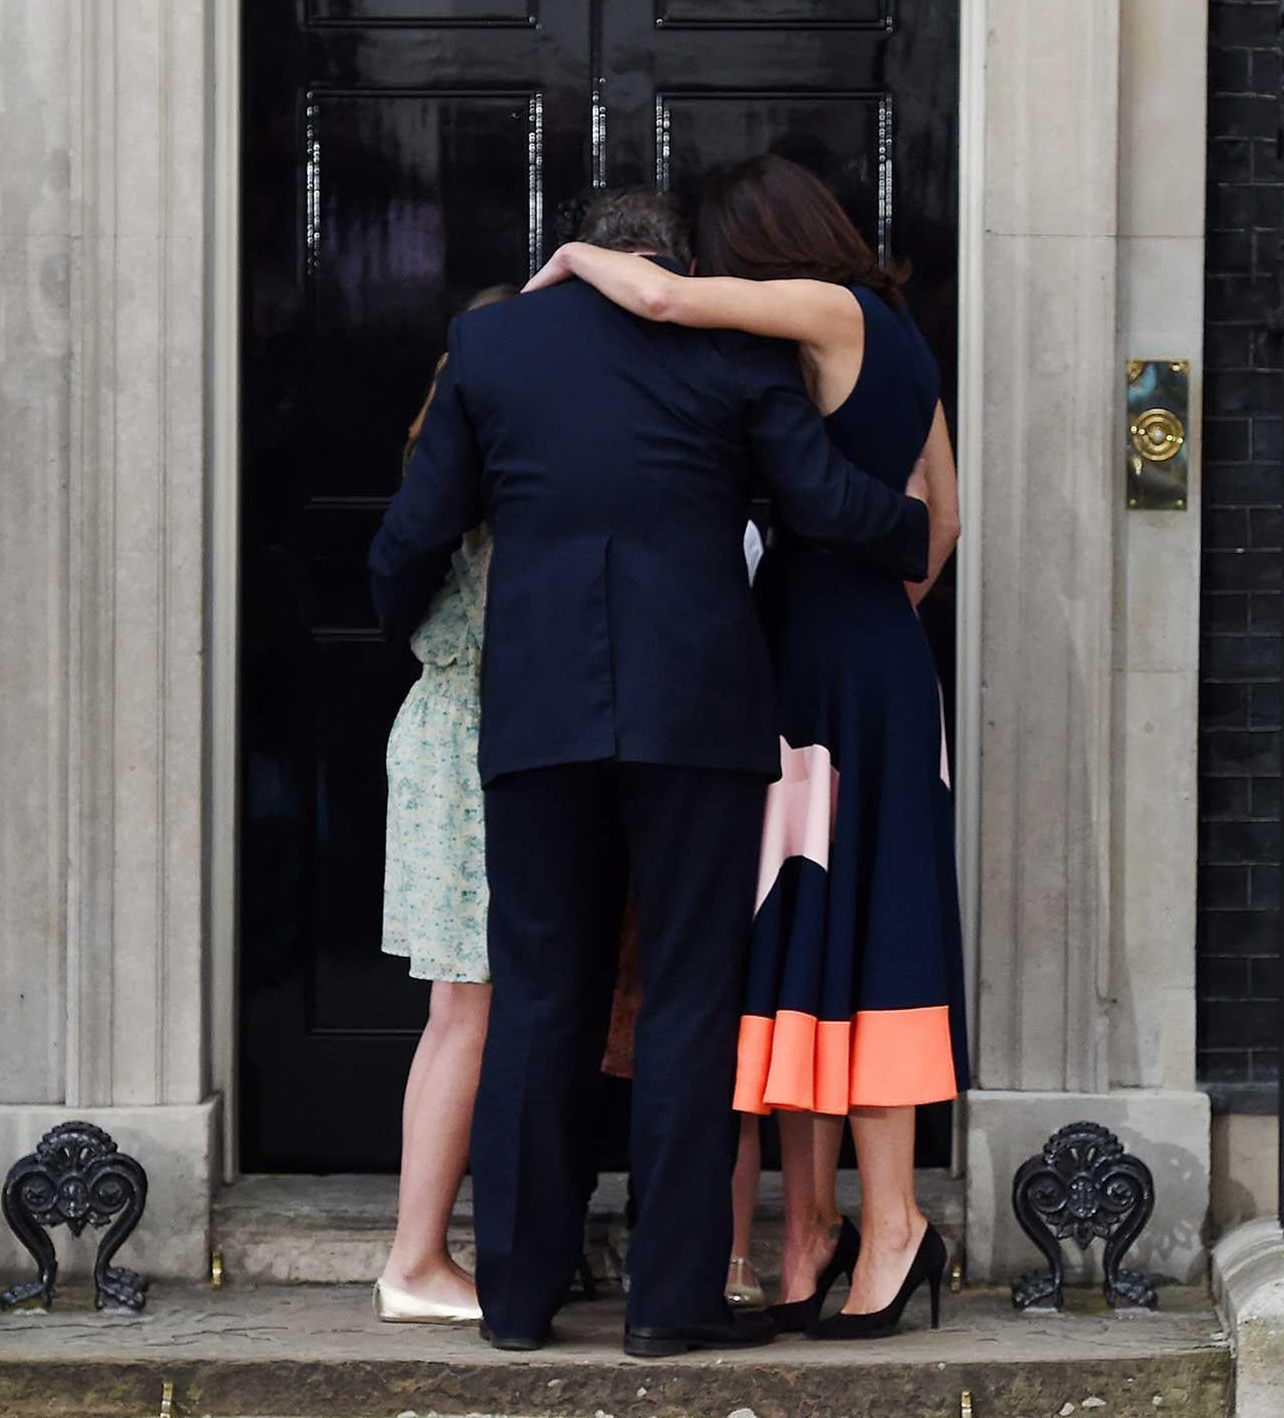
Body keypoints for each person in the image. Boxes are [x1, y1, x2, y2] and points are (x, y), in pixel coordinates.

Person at [368, 186, 930, 1358]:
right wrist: (912, 535)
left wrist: (400, 634)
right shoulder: (730, 341)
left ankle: (517, 1304)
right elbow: (820, 500)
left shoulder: (491, 342)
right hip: (698, 715)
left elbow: (415, 532)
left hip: (536, 712)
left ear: (583, 252)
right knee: (686, 1004)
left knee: (537, 1001)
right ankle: (669, 1307)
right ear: (669, 256)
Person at [521, 153, 967, 1340]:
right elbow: (940, 523)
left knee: (845, 935)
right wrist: (873, 626)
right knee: (824, 937)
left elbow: (666, 301)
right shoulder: (902, 340)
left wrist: (569, 260)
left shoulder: (828, 311)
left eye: (723, 251)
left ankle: (886, 1229)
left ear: (758, 244)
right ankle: (814, 1232)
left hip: (818, 657)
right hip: (871, 651)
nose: (712, 272)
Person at [372, 284, 518, 1326]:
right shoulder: (489, 484)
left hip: (445, 730)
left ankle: (427, 1251)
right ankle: (416, 1259)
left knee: (462, 1009)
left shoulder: (442, 464)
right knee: (468, 1007)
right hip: (470, 741)